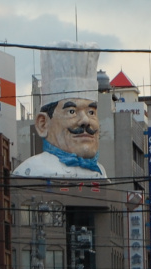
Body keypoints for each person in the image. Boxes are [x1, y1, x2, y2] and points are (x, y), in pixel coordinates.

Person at [12, 44, 108, 179]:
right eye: (71, 111)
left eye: (91, 112)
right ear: (43, 123)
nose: (85, 121)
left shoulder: (101, 173)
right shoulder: (31, 171)